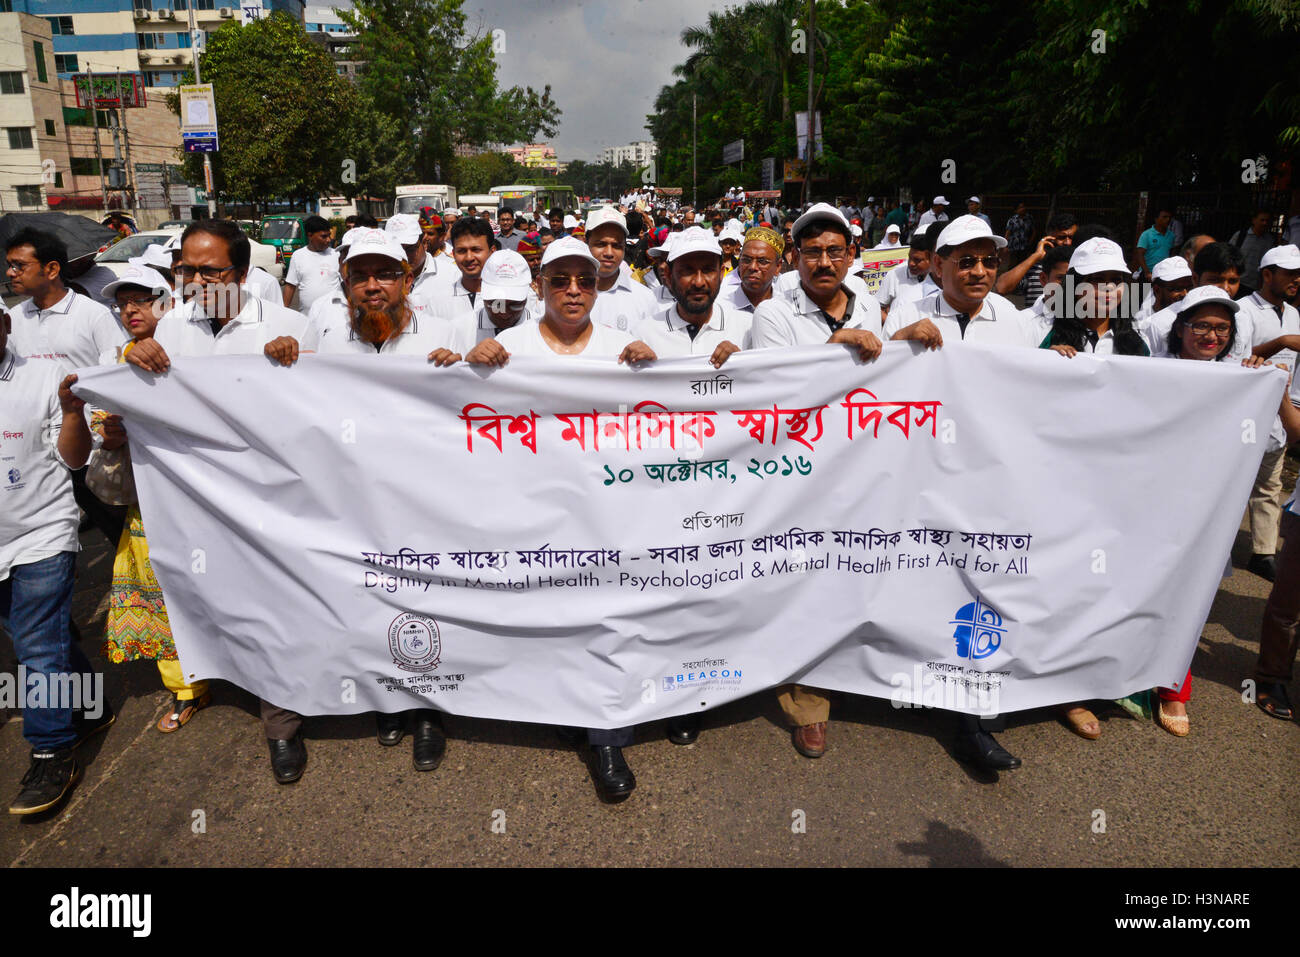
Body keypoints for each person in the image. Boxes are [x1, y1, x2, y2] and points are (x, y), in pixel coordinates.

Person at [464, 236, 656, 802]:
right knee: (549, 618)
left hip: (607, 519)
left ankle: (607, 736)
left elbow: (666, 420)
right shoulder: (510, 347)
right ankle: (555, 707)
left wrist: (656, 370)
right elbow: (469, 418)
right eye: (560, 280)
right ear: (539, 286)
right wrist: (470, 365)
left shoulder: (623, 349)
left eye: (585, 280)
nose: (574, 291)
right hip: (534, 515)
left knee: (606, 622)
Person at [121, 220, 309, 782]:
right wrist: (135, 357)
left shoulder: (291, 327)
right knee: (215, 599)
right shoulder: (171, 329)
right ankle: (215, 676)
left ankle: (282, 724)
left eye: (211, 271)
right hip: (198, 502)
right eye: (187, 271)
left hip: (272, 501)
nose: (196, 282)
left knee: (276, 609)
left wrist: (296, 363)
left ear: (243, 274)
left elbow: (318, 417)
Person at [885, 215, 1037, 771]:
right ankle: (928, 688)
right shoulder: (908, 310)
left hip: (991, 477)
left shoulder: (1013, 320)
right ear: (939, 265)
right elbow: (878, 384)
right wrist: (900, 342)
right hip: (925, 476)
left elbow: (1032, 395)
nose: (978, 271)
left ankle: (973, 713)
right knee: (930, 583)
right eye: (965, 261)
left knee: (983, 588)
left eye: (988, 261)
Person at [750, 203, 885, 759]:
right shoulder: (773, 314)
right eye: (812, 252)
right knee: (803, 580)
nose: (824, 262)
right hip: (799, 473)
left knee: (859, 572)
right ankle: (808, 702)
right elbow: (778, 396)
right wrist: (838, 349)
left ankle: (865, 674)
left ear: (852, 256)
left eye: (834, 251)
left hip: (863, 462)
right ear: (795, 258)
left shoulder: (869, 304)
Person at [1156, 286, 1300, 734]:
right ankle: (1115, 675)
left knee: (1190, 596)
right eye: (1201, 325)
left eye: (1221, 328)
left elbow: (1282, 438)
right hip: (1150, 502)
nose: (1211, 335)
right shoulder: (1149, 369)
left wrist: (1271, 388)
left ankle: (1173, 686)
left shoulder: (1242, 377)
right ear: (1180, 328)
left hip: (1207, 509)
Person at [94, 266, 212, 734]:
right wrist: (110, 434)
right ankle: (186, 687)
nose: (129, 310)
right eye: (122, 303)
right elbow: (100, 426)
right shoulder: (115, 361)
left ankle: (246, 670)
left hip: (213, 495)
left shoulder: (199, 347)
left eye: (140, 300)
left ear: (168, 303)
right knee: (160, 589)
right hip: (152, 501)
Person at [1, 305, 105, 814]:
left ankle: (51, 751)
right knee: (37, 636)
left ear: (5, 326)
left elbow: (74, 458)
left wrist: (71, 413)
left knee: (37, 648)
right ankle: (90, 709)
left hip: (41, 532)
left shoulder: (45, 376)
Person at [5, 227, 130, 547]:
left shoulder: (94, 316)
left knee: (120, 530)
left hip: (93, 450)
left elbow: (118, 378)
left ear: (51, 269)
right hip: (38, 455)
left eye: (20, 265)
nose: (10, 273)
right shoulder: (13, 320)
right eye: (9, 265)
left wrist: (109, 436)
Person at [1236, 244, 1300, 582]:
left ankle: (1263, 552)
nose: (1296, 280)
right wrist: (1281, 342)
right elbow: (1238, 358)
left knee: (1270, 486)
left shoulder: (1294, 314)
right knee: (1231, 486)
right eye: (1290, 274)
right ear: (1267, 274)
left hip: (1279, 416)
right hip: (1244, 417)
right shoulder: (1243, 310)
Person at [442, 249, 541, 346]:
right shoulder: (457, 331)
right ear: (481, 286)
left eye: (514, 305)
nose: (504, 314)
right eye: (497, 304)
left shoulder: (542, 331)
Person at [585, 206, 658, 333]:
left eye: (616, 245)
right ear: (587, 243)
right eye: (601, 244)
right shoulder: (567, 296)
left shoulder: (645, 298)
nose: (609, 253)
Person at [995, 212, 1077, 302]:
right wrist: (1035, 256)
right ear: (1049, 237)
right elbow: (1001, 288)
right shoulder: (1034, 268)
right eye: (1061, 237)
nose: (1068, 242)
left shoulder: (1082, 269)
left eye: (1072, 237)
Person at [384, 213, 455, 301]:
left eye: (410, 249)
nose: (404, 256)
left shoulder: (451, 275)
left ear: (424, 243)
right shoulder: (380, 280)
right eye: (397, 250)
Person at [875, 227, 940, 321]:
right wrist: (893, 324)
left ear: (932, 259)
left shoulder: (941, 279)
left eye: (917, 260)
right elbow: (876, 308)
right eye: (910, 258)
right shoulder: (894, 275)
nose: (911, 263)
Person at [283, 215, 342, 312]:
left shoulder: (336, 255)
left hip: (333, 315)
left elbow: (347, 284)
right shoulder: (298, 256)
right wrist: (283, 311)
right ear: (310, 235)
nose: (328, 240)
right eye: (324, 236)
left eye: (329, 235)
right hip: (307, 317)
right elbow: (290, 285)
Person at [723, 227, 783, 315]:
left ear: (778, 266)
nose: (752, 267)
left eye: (762, 261)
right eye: (746, 260)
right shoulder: (720, 305)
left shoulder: (786, 308)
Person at [1230, 210, 1279, 294]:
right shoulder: (1241, 235)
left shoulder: (1270, 241)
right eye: (1262, 220)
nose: (1265, 223)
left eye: (1267, 221)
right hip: (1237, 281)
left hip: (1255, 286)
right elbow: (1229, 254)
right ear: (1254, 220)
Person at [1134, 257, 1194, 322]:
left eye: (1189, 287)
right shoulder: (1143, 323)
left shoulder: (1195, 314)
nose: (1185, 294)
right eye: (1178, 289)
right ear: (1157, 290)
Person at [1135, 206, 1178, 280]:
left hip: (1163, 274)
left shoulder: (1171, 236)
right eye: (1164, 217)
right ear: (1156, 219)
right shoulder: (1146, 234)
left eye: (1169, 217)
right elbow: (1140, 254)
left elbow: (1171, 254)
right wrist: (1147, 272)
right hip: (1147, 273)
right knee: (1141, 288)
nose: (1168, 219)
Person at [1004, 202, 1035, 268]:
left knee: (1022, 264)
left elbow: (1033, 231)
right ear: (1016, 210)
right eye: (1020, 208)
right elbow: (1008, 232)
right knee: (1012, 264)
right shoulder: (1012, 220)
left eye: (1023, 207)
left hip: (1024, 246)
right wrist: (1006, 245)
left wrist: (1030, 242)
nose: (1023, 209)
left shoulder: (1029, 218)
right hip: (1014, 245)